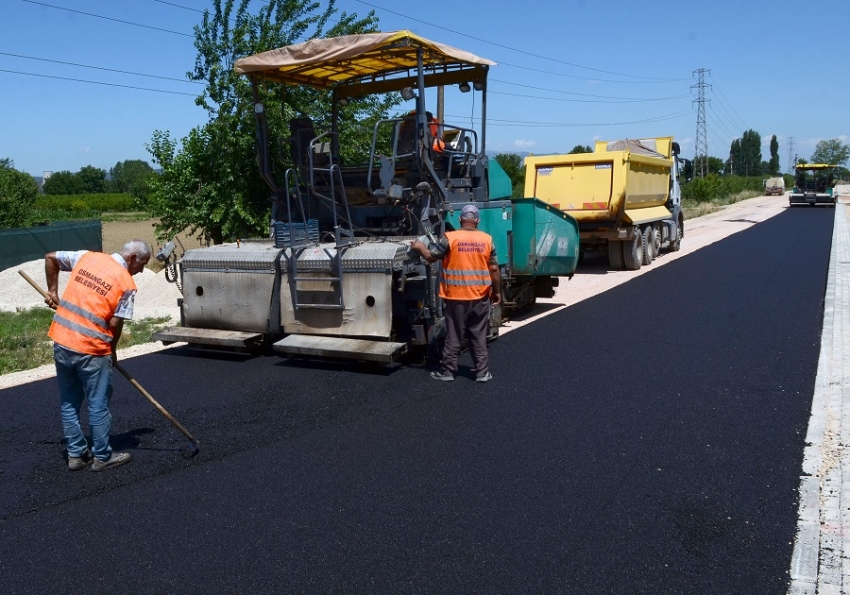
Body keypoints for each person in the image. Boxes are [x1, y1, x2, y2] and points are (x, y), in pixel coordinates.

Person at [43, 240, 152, 471]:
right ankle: (102, 456)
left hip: (62, 341)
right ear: (132, 258)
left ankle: (75, 454)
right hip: (92, 349)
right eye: (142, 264)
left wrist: (53, 291)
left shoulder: (87, 257)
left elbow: (51, 257)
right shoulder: (126, 283)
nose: (141, 270)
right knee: (97, 403)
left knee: (69, 402)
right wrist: (111, 350)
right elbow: (115, 322)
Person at [410, 204, 501, 382]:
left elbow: (430, 257)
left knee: (454, 334)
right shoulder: (487, 240)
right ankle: (482, 373)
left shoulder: (450, 238)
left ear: (460, 220)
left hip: (456, 296)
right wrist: (497, 292)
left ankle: (448, 372)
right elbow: (495, 270)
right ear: (478, 221)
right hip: (480, 296)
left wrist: (419, 246)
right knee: (478, 333)